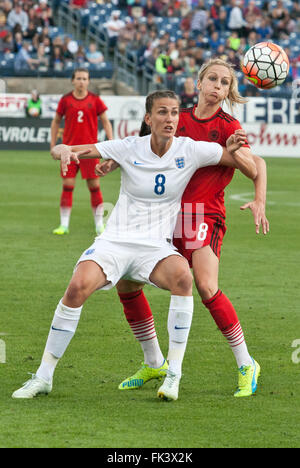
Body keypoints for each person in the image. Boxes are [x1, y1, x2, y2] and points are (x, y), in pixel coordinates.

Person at [11, 90, 256, 401]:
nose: (170, 119)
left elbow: (245, 163)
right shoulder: (129, 146)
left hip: (155, 247)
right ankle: (43, 376)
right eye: (162, 113)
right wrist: (61, 149)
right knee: (76, 288)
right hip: (115, 241)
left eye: (174, 113)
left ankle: (173, 375)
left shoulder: (191, 149)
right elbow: (71, 149)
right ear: (148, 118)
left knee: (184, 277)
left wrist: (236, 150)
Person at [115, 59, 268, 398]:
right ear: (198, 83)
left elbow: (256, 165)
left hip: (203, 213)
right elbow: (143, 146)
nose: (217, 86)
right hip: (165, 214)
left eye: (225, 82)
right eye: (212, 78)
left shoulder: (229, 125)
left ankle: (246, 363)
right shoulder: (177, 118)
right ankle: (154, 361)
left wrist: (259, 199)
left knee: (206, 285)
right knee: (126, 282)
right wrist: (113, 158)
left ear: (229, 91)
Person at [50, 67, 113, 236]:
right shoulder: (65, 100)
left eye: (84, 79)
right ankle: (64, 225)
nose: (81, 82)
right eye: (78, 78)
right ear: (73, 81)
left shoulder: (95, 100)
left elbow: (106, 122)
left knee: (94, 186)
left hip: (89, 151)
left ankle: (99, 225)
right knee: (68, 185)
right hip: (68, 150)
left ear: (88, 81)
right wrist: (53, 144)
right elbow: (56, 122)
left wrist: (111, 144)